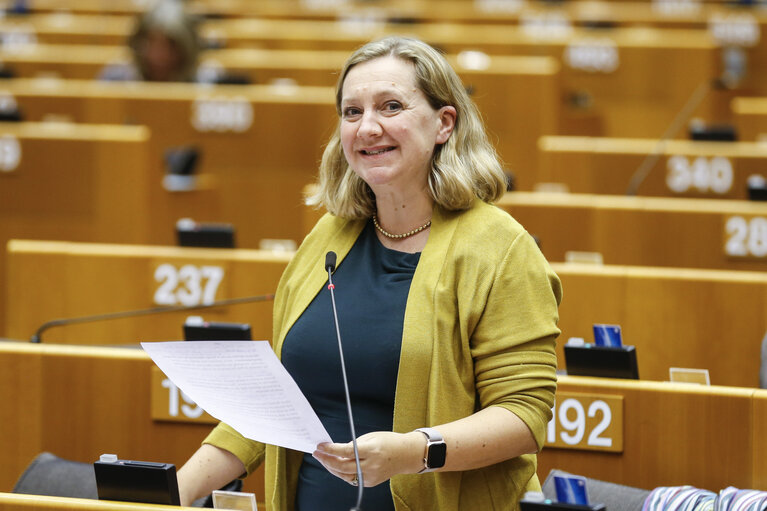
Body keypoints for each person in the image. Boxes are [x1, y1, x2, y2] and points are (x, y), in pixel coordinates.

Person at [176, 35, 561, 511]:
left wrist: (414, 452)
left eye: (391, 106)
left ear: (444, 123)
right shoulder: (328, 237)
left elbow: (523, 416)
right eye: (352, 112)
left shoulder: (501, 250)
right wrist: (176, 490)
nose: (367, 128)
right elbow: (278, 401)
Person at [99, 0, 200, 82]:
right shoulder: (116, 79)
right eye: (151, 43)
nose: (160, 55)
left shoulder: (204, 84)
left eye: (171, 45)